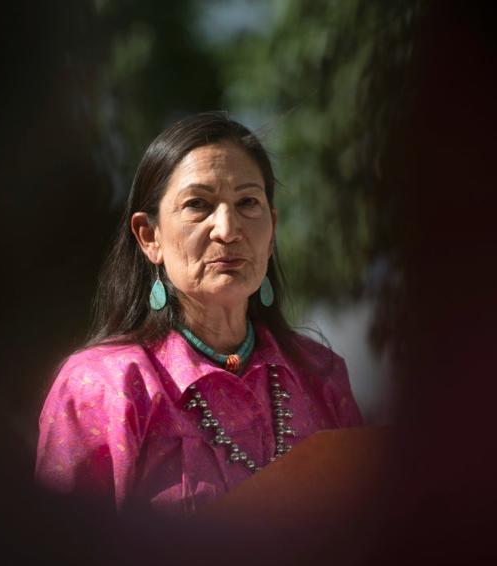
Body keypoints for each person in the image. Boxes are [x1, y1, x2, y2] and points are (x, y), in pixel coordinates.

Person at [35, 112, 363, 515]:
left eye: (247, 203)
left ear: (272, 228)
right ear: (149, 236)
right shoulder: (102, 387)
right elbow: (64, 564)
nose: (227, 229)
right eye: (198, 205)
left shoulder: (320, 374)